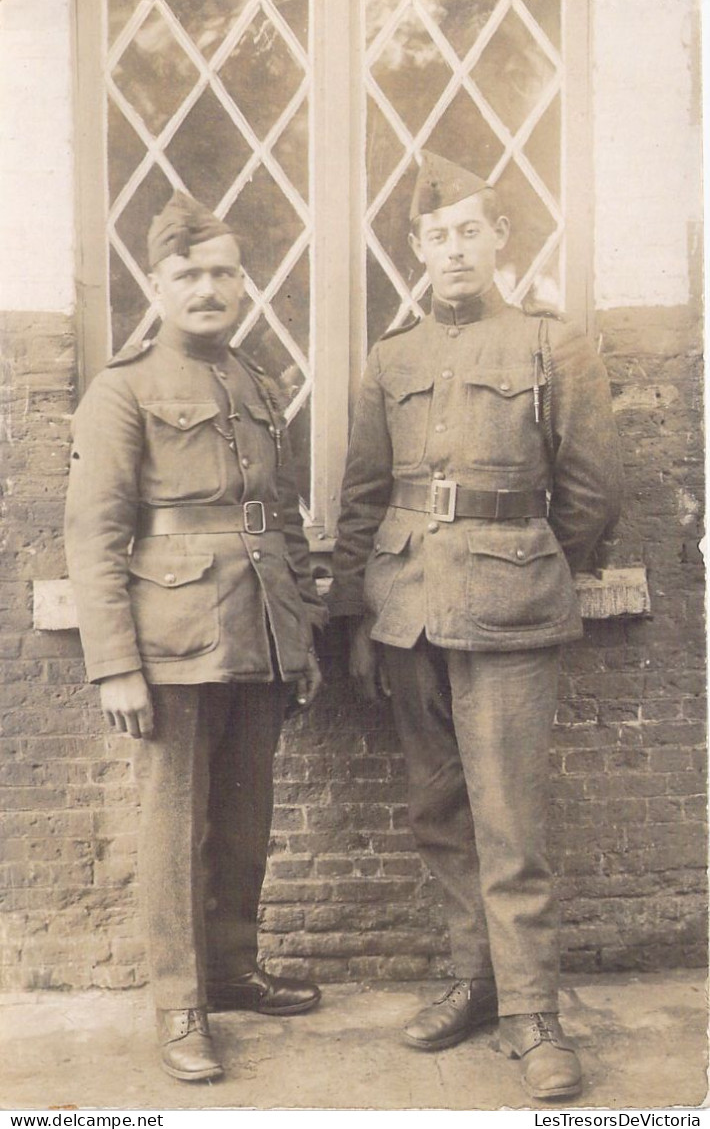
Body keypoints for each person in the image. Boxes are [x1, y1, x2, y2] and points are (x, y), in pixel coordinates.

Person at [328, 151, 623, 1101]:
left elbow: (590, 490)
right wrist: (358, 614)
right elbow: (364, 496)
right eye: (436, 235)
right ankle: (477, 978)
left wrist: (536, 569)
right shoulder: (393, 358)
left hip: (510, 609)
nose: (453, 249)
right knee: (439, 812)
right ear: (415, 248)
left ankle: (535, 1012)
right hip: (407, 611)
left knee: (510, 818)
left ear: (500, 239)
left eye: (470, 231)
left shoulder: (550, 344)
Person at [64, 191, 326, 1082]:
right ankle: (181, 1004)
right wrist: (115, 667)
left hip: (260, 631)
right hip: (171, 638)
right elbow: (94, 535)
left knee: (247, 819)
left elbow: (279, 522)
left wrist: (304, 638)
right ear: (158, 282)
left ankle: (232, 971)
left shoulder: (257, 382)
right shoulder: (122, 389)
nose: (207, 288)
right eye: (189, 274)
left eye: (223, 272)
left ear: (242, 282)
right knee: (175, 828)